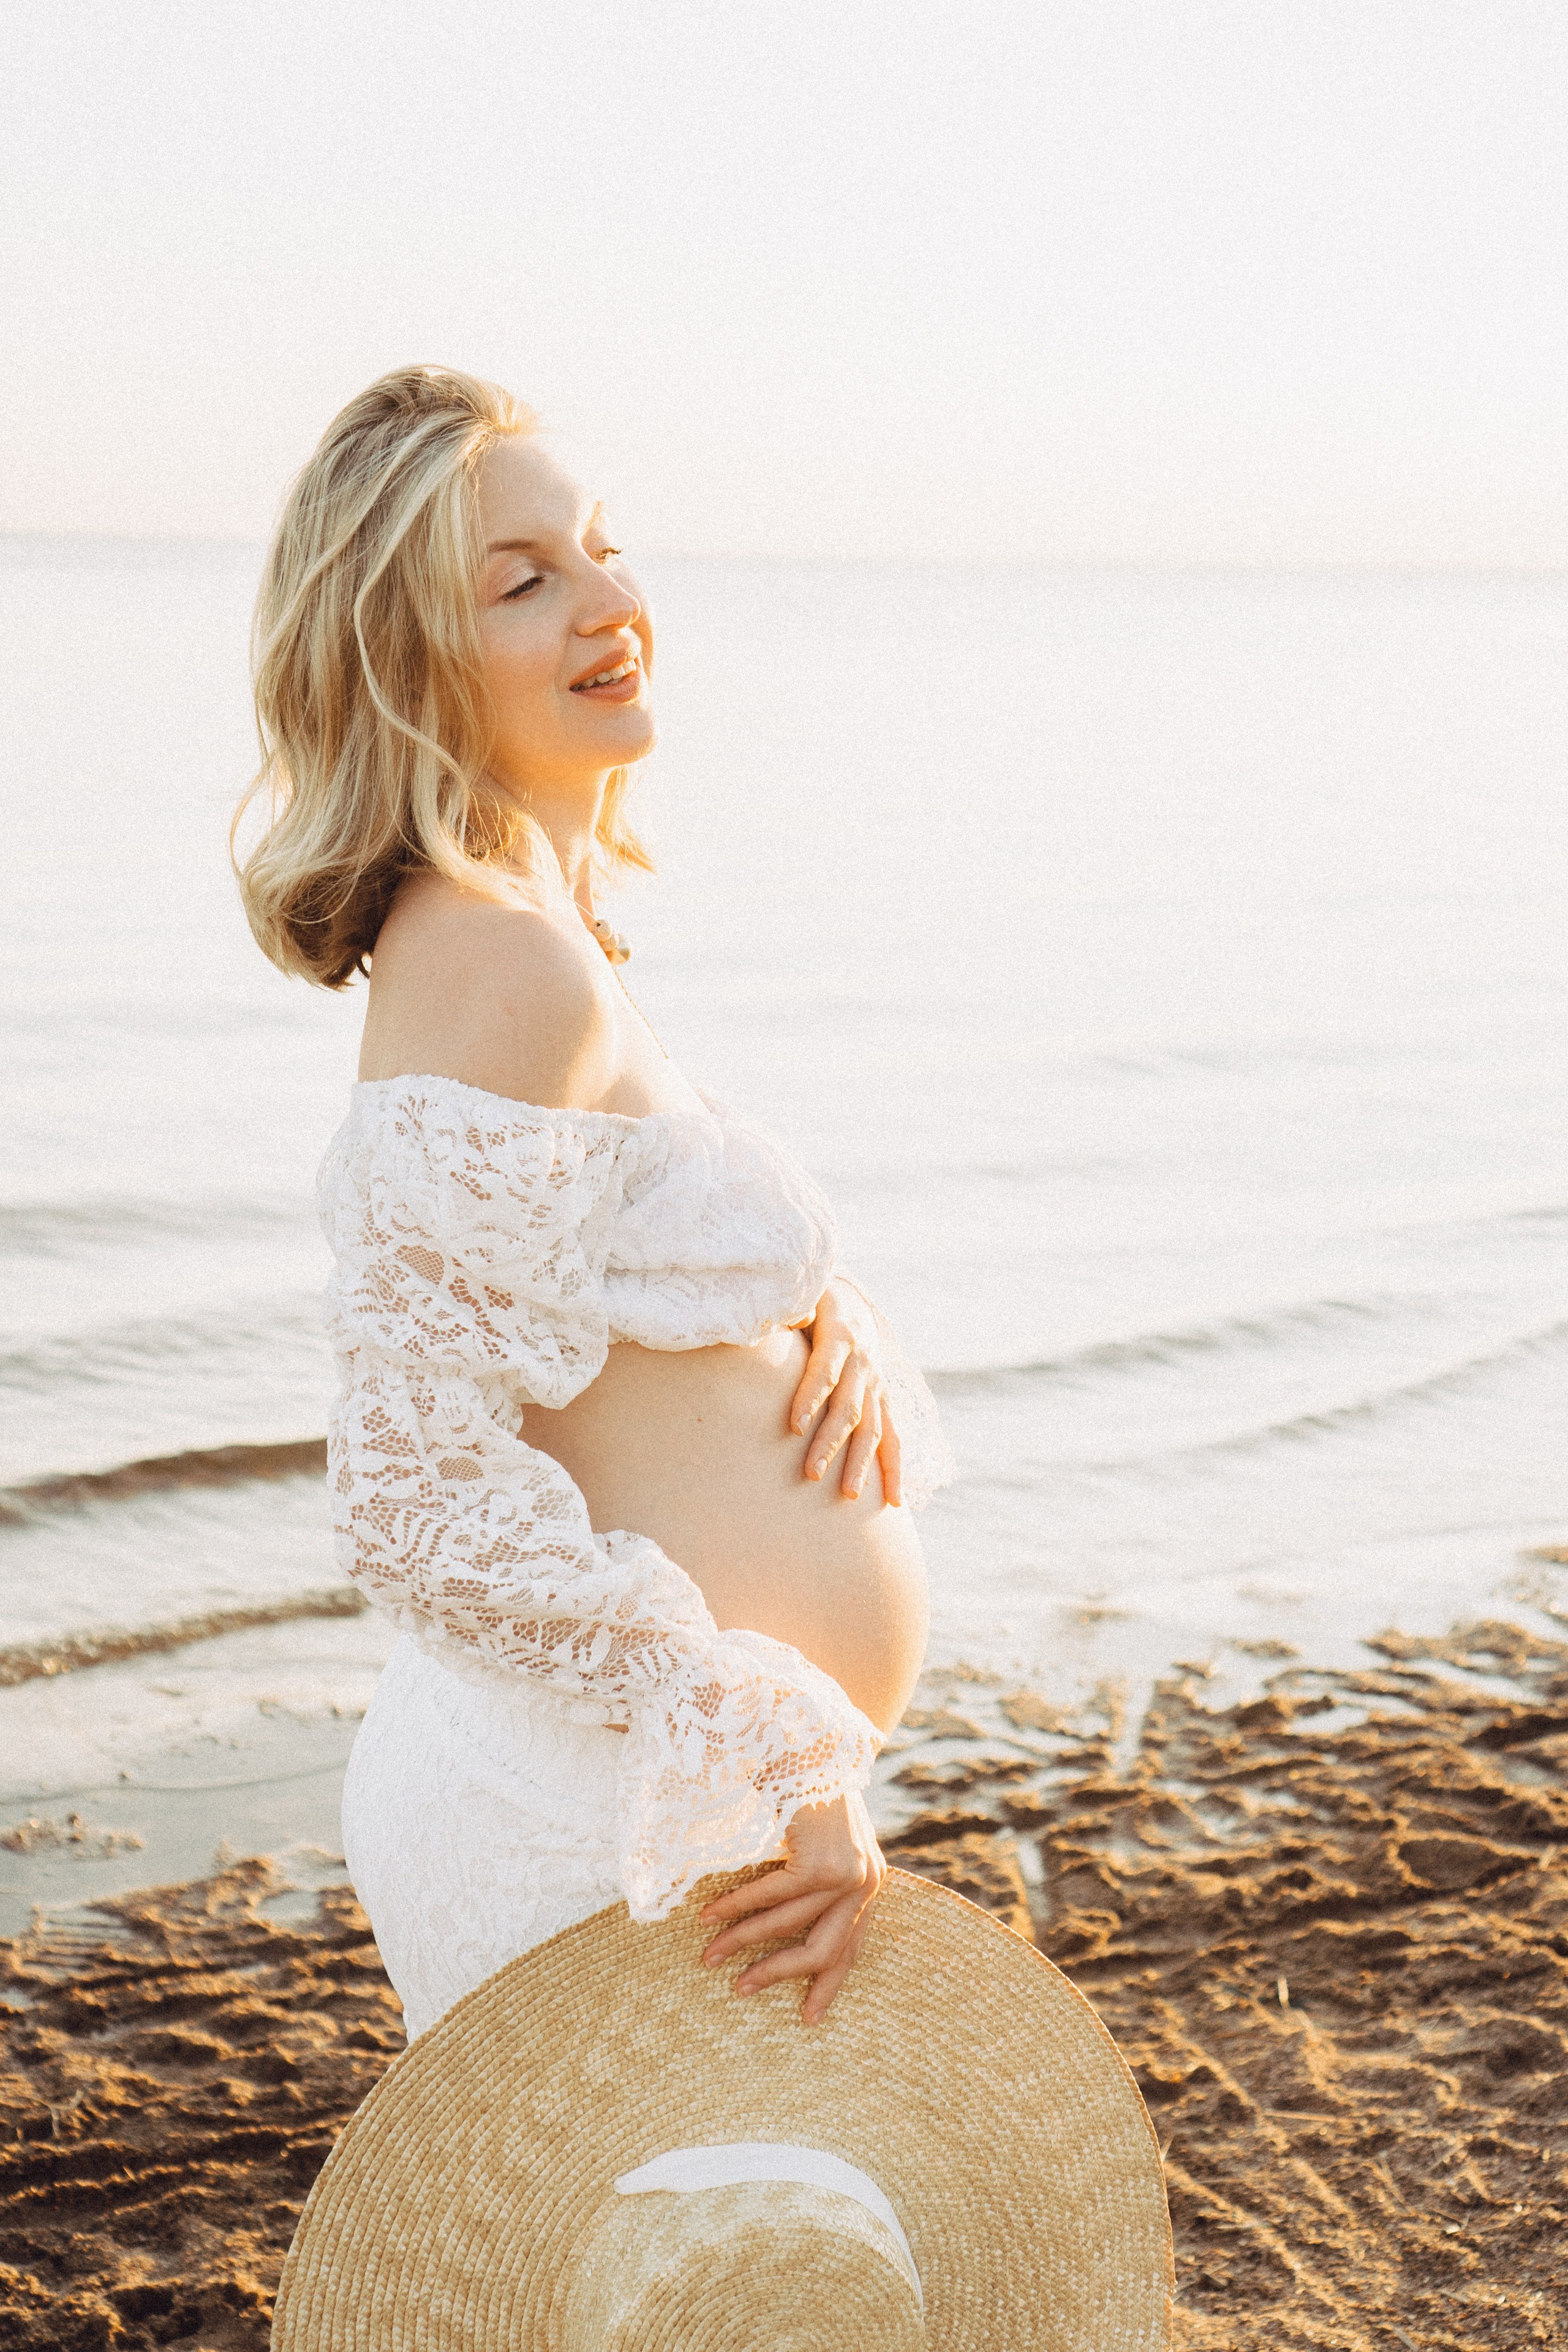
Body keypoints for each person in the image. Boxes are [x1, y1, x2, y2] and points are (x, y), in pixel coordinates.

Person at [235, 364, 952, 2043]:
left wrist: (813, 1325)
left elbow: (583, 1330)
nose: (611, 599)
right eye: (524, 578)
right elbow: (413, 1497)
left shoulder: (531, 936)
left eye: (604, 546)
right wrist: (769, 1742)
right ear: (407, 660)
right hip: (612, 1814)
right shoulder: (499, 956)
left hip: (648, 1800)